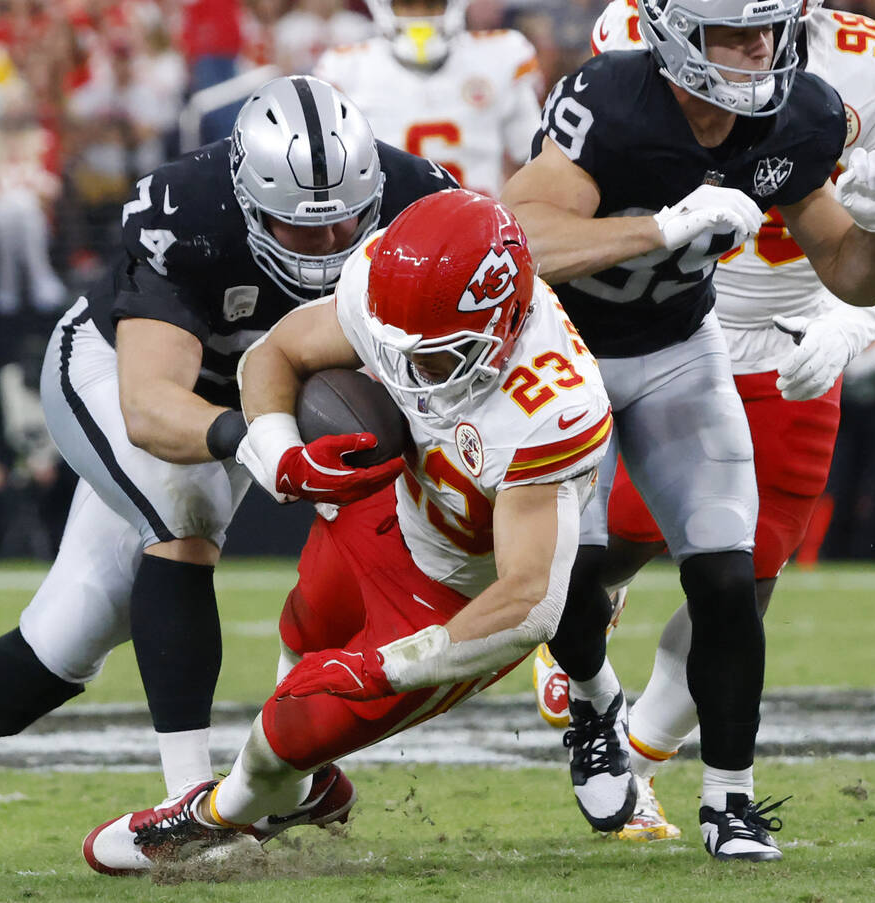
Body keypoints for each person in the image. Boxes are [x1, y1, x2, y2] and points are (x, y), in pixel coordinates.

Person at [0, 75, 456, 871]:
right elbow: (149, 407)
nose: (330, 244)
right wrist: (266, 438)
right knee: (185, 516)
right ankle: (194, 808)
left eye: (346, 219)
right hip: (128, 379)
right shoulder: (186, 210)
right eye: (300, 230)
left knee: (61, 643)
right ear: (249, 199)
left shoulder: (421, 196)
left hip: (249, 400)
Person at [82, 188, 617, 871]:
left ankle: (210, 818)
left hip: (457, 592)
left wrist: (384, 665)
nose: (408, 372)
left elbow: (530, 601)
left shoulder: (551, 403)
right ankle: (303, 793)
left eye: (438, 356)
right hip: (389, 499)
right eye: (399, 351)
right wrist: (283, 455)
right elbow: (274, 355)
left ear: (503, 326)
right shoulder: (393, 294)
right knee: (302, 631)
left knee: (290, 726)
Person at [500, 0, 875, 861]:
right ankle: (590, 696)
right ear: (679, 35)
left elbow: (853, 275)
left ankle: (732, 801)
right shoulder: (613, 99)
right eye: (733, 32)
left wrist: (872, 228)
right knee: (563, 574)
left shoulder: (798, 110)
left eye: (766, 28)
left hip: (683, 347)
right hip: (566, 352)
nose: (758, 48)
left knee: (728, 573)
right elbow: (520, 236)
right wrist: (659, 227)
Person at [314, 0, 542, 197]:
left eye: (431, 4)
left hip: (482, 225)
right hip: (391, 229)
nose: (419, 17)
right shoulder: (347, 69)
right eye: (408, 5)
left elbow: (533, 159)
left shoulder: (500, 56)